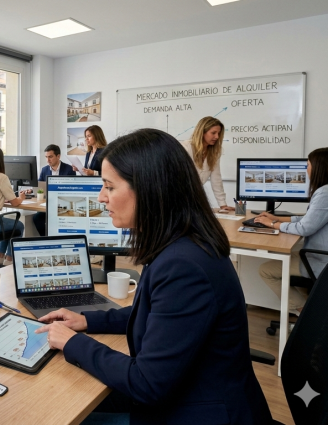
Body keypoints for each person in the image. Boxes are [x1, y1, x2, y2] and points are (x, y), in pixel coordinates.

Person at [36, 129, 271, 424]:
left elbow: (147, 383)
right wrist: (86, 321)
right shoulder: (180, 244)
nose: (101, 197)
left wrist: (72, 342)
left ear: (148, 188)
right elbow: (151, 315)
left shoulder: (184, 267)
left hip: (198, 412)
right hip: (188, 395)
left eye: (109, 186)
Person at [254, 147, 328, 315]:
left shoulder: (326, 192)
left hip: (323, 261)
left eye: (308, 165)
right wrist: (277, 219)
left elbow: (304, 228)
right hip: (327, 254)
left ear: (319, 167)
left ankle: (304, 312)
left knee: (265, 270)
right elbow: (309, 219)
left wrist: (271, 225)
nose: (306, 169)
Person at [181, 116, 235, 213]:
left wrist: (223, 205)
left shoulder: (214, 152)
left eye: (218, 133)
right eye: (213, 133)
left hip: (194, 199)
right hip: (177, 198)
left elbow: (216, 179)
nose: (217, 137)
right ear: (202, 132)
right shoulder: (185, 148)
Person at [33, 144, 76, 235]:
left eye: (50, 157)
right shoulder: (44, 169)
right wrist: (32, 190)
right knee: (37, 218)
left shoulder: (69, 169)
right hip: (48, 203)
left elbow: (72, 189)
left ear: (58, 156)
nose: (48, 160)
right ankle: (46, 238)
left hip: (62, 203)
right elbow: (39, 185)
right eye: (46, 157)